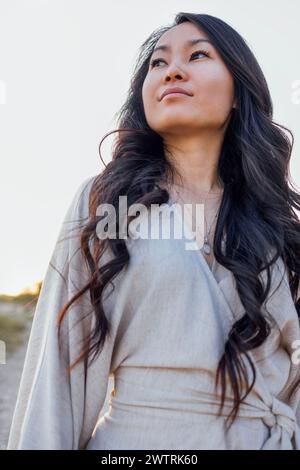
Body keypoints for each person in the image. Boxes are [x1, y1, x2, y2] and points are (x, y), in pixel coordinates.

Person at [7, 12, 300, 450]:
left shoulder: (278, 226)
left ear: (240, 91)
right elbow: (58, 368)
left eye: (198, 55)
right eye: (157, 64)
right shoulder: (108, 202)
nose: (172, 71)